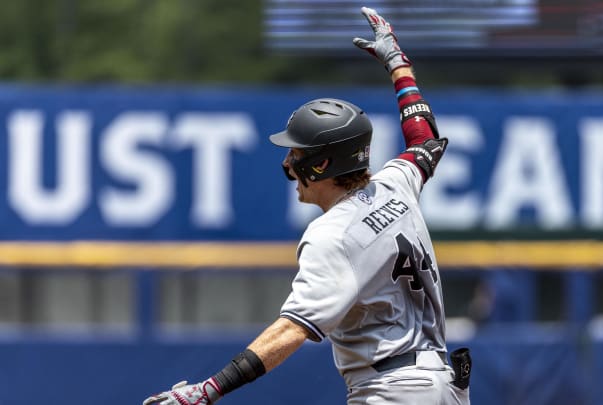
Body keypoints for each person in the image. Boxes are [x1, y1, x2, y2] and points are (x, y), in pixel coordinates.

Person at [143, 6, 471, 405]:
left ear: (321, 164)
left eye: (296, 152)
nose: (287, 162)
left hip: (392, 391)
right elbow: (424, 141)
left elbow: (291, 330)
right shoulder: (395, 185)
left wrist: (210, 389)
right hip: (443, 385)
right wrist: (399, 68)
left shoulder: (331, 235)